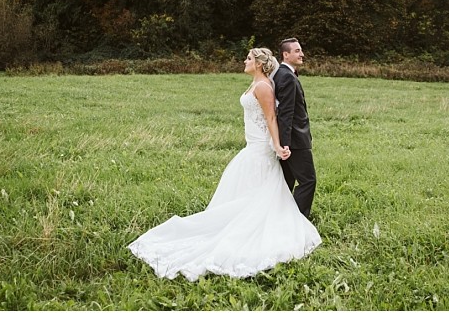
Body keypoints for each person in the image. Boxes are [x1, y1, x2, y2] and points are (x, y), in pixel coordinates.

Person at [128, 48, 321, 281]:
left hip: (261, 148)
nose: (244, 61)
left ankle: (258, 225)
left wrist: (278, 146)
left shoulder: (263, 86)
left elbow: (271, 118)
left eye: (249, 58)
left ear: (259, 64)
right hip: (252, 145)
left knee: (261, 192)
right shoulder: (256, 83)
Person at [273, 38, 316, 219]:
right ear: (286, 54)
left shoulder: (281, 74)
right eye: (297, 51)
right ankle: (296, 221)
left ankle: (279, 216)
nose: (302, 54)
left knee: (286, 182)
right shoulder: (287, 77)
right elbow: (286, 113)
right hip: (295, 141)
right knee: (308, 181)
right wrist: (286, 144)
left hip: (289, 140)